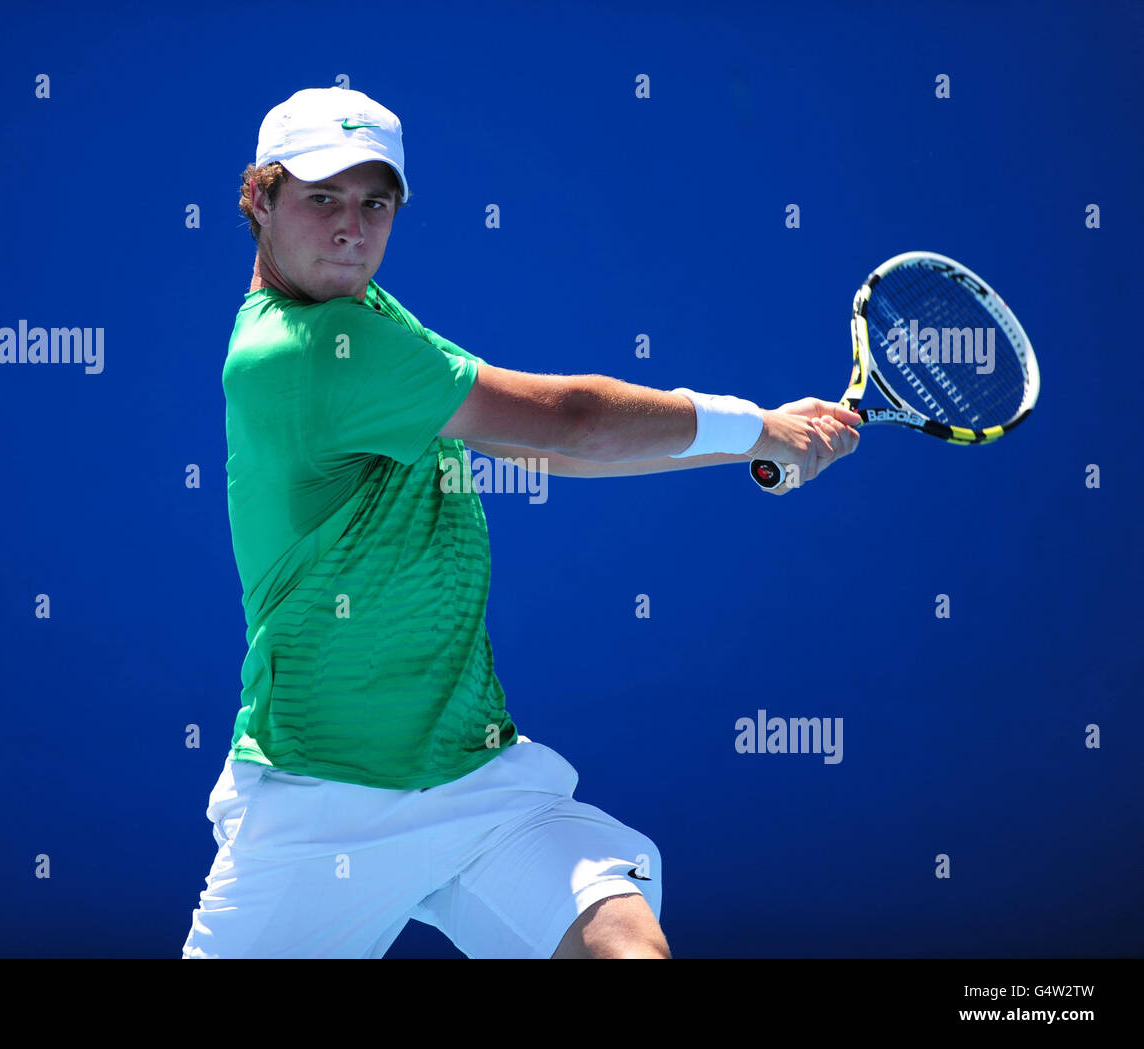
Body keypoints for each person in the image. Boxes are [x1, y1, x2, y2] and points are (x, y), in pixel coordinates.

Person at [181, 86, 859, 960]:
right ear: (260, 200)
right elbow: (570, 420)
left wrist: (750, 440)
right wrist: (753, 425)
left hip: (475, 776)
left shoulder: (364, 317)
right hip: (322, 797)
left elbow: (543, 451)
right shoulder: (309, 353)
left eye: (374, 202)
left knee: (627, 946)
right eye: (322, 198)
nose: (352, 226)